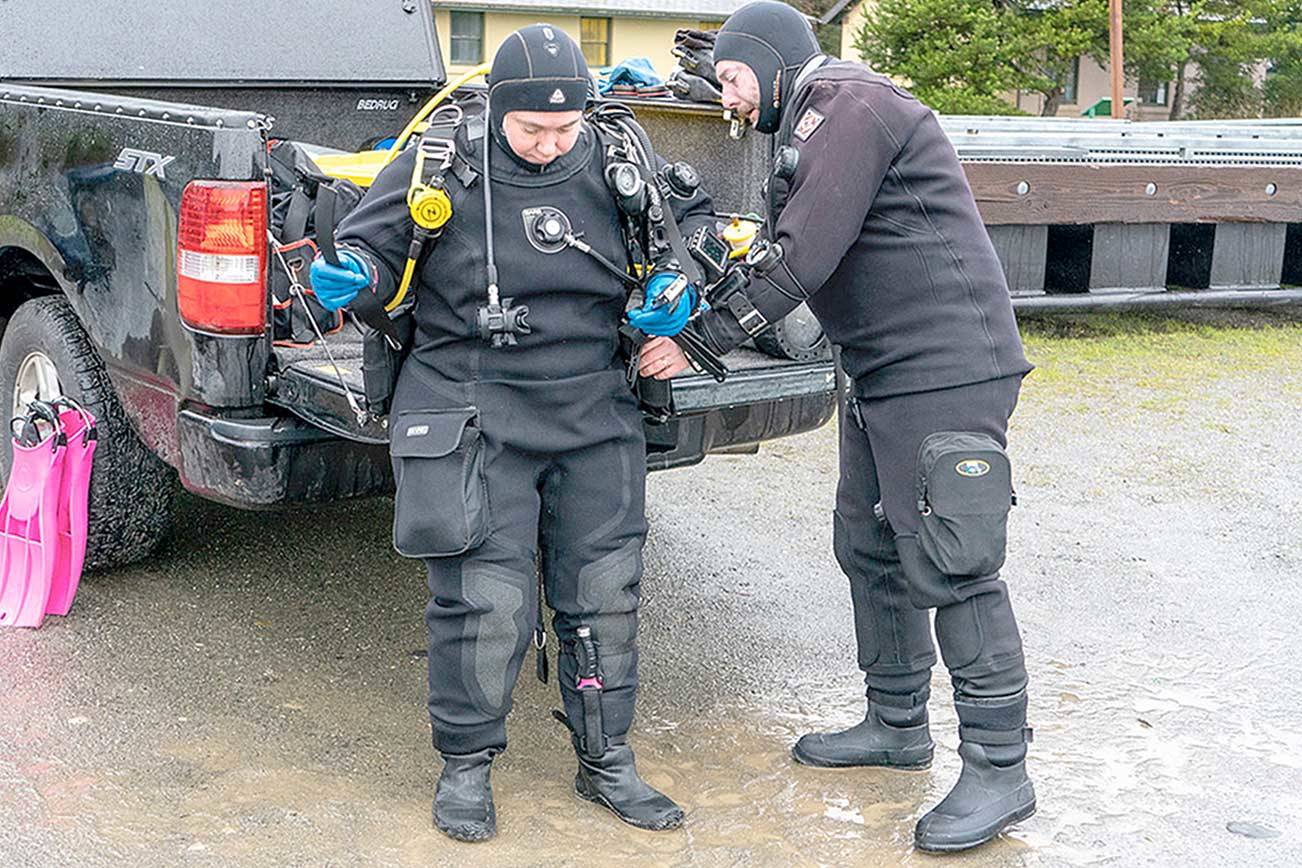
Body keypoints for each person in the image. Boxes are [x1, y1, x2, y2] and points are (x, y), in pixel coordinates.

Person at [639, 1, 1037, 852]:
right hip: (884, 369)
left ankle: (1001, 771)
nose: (731, 102)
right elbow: (783, 250)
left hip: (947, 369)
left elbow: (802, 258)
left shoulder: (849, 106)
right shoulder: (815, 122)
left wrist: (696, 340)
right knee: (869, 541)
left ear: (773, 61)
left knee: (953, 562)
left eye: (736, 80)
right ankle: (896, 724)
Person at [309, 24, 713, 843]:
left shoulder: (613, 155)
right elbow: (374, 246)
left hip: (594, 403)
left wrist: (680, 291)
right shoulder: (443, 155)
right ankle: (465, 767)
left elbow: (682, 244)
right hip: (473, 399)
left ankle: (607, 761)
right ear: (499, 110)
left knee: (604, 594)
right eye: (532, 129)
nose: (548, 143)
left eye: (563, 129)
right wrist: (354, 276)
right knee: (484, 601)